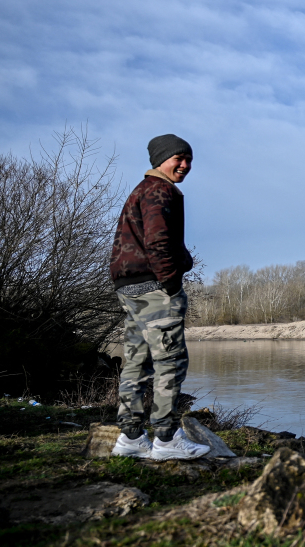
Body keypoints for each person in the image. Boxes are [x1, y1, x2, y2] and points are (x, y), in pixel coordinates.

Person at [108, 135, 210, 460]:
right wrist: (170, 283)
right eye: (178, 158)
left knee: (136, 362)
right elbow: (158, 240)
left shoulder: (141, 190)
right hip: (153, 288)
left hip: (129, 286)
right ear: (160, 160)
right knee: (171, 361)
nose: (185, 165)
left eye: (189, 160)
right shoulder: (158, 190)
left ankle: (131, 437)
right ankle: (166, 440)